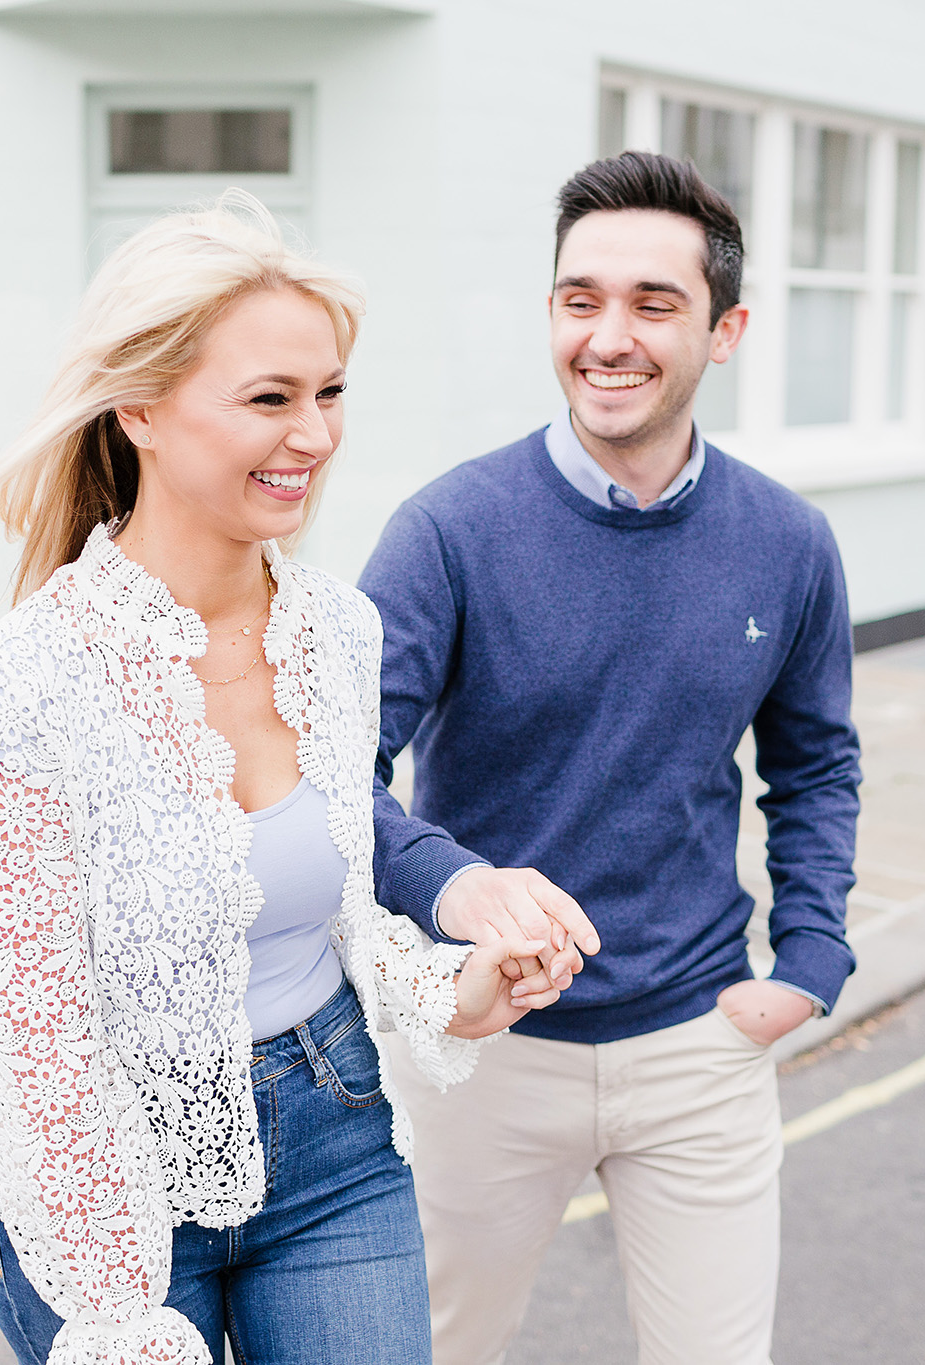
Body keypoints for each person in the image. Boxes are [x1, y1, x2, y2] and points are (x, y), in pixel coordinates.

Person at [0, 193, 564, 1365]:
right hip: (106, 1192)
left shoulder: (340, 633)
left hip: (338, 1142)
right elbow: (37, 1043)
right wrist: (117, 1315)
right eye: (269, 398)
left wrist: (453, 990)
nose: (312, 434)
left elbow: (339, 899)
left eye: (328, 395)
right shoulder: (16, 684)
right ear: (141, 410)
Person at [359, 151, 863, 1365]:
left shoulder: (788, 544)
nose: (608, 337)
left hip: (698, 1041)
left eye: (652, 304)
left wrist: (809, 952)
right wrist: (445, 892)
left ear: (723, 329)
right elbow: (329, 776)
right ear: (550, 315)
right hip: (482, 1051)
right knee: (433, 1352)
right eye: (580, 300)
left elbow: (815, 765)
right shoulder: (447, 531)